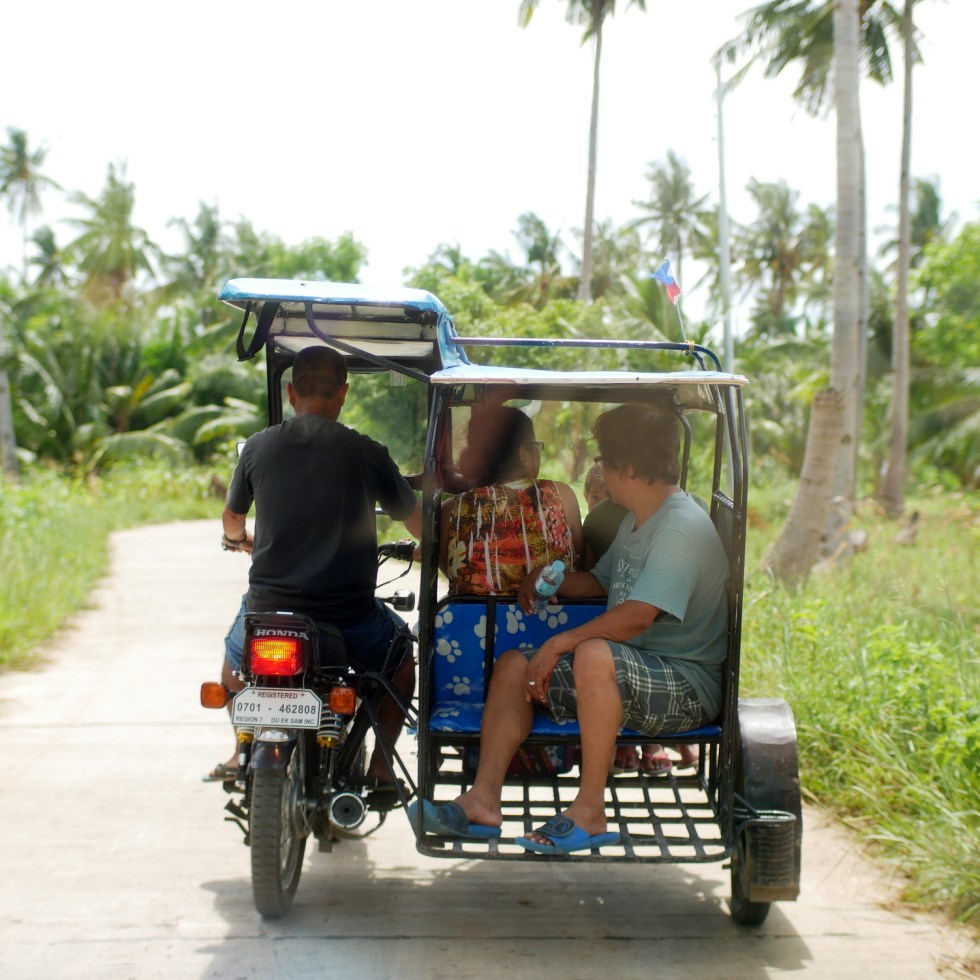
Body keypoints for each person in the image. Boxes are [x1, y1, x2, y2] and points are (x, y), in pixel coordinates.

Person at [409, 403, 728, 852]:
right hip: (637, 673)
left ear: (629, 467)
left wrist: (561, 642)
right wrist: (547, 574)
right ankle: (482, 801)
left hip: (685, 682)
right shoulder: (642, 519)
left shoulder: (678, 527)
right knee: (513, 666)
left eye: (602, 461)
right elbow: (599, 581)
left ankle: (590, 811)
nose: (599, 469)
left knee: (593, 652)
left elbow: (637, 615)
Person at [206, 345, 422, 789]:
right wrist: (431, 549)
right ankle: (380, 770)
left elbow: (232, 518)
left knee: (233, 663)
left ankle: (239, 750)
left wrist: (237, 541)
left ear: (290, 393)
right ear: (343, 394)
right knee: (402, 659)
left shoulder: (258, 447)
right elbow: (417, 522)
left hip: (269, 608)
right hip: (348, 617)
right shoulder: (368, 453)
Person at [440, 405, 582, 594]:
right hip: (554, 620)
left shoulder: (451, 511)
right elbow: (580, 561)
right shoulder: (559, 496)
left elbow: (451, 572)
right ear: (523, 454)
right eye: (536, 446)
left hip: (476, 622)